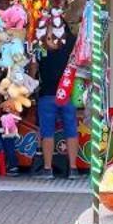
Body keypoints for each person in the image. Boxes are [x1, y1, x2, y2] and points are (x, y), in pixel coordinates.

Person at [34, 28, 75, 176]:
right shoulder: (69, 50)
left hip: (47, 96)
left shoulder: (41, 52)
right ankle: (73, 168)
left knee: (47, 133)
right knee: (71, 132)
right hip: (66, 94)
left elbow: (33, 73)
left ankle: (47, 168)